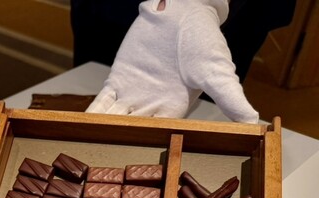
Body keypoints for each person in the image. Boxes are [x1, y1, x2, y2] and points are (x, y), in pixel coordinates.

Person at [71, 0, 297, 122]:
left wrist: (191, 6)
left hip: (234, 14)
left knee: (200, 129)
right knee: (93, 94)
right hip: (112, 9)